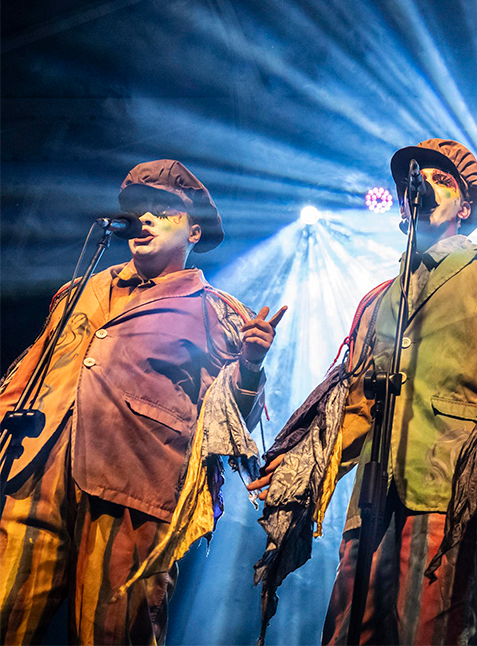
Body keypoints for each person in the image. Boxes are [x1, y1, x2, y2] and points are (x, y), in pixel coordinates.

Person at [250, 138, 477, 646]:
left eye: (441, 180)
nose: (422, 184)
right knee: (345, 634)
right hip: (374, 501)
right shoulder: (381, 299)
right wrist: (306, 465)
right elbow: (354, 400)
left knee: (432, 633)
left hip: (452, 489)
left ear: (465, 207)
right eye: (414, 178)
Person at [0, 159, 283, 645]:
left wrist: (251, 365)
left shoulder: (214, 310)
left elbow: (233, 422)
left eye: (164, 212)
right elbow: (27, 376)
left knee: (112, 635)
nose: (145, 218)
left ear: (195, 231)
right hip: (34, 476)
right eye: (139, 210)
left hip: (132, 492)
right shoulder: (79, 291)